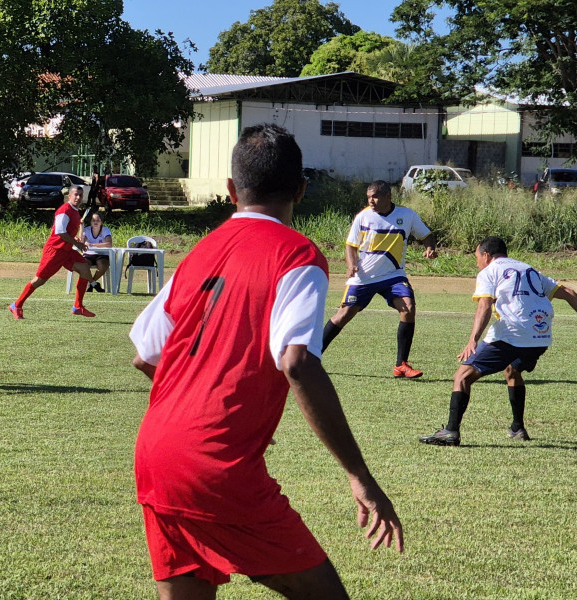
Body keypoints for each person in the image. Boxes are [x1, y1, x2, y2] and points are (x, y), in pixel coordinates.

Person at [129, 124, 403, 598]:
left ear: (231, 189)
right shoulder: (297, 256)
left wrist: (204, 411)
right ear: (301, 190)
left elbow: (145, 355)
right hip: (216, 465)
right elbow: (297, 363)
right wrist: (360, 477)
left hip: (156, 454)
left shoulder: (200, 252)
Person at [419, 237, 577, 446]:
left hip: (512, 333)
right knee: (512, 370)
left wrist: (472, 340)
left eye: (477, 258)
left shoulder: (489, 271)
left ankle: (450, 431)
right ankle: (518, 428)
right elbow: (569, 293)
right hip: (541, 336)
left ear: (486, 256)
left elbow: (484, 305)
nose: (477, 263)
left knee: (462, 376)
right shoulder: (529, 269)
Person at [321, 180, 438, 378]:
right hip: (364, 277)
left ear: (387, 196)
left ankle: (401, 365)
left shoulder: (407, 215)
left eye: (374, 197)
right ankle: (312, 356)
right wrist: (351, 265)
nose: (371, 201)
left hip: (393, 275)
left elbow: (427, 235)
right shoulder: (363, 217)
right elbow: (351, 245)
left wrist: (430, 247)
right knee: (344, 314)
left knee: (408, 308)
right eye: (368, 197)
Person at [8, 185, 97, 318]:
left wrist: (74, 238)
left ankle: (78, 307)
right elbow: (60, 233)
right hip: (55, 250)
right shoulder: (64, 210)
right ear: (69, 196)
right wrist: (77, 243)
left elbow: (65, 232)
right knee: (39, 280)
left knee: (84, 269)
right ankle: (16, 305)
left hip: (66, 250)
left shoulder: (74, 211)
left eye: (80, 195)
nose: (78, 197)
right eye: (75, 194)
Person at [77, 211, 112, 292]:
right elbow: (81, 242)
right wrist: (81, 227)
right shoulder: (87, 230)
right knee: (84, 266)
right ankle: (94, 284)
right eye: (93, 220)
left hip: (102, 254)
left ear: (101, 222)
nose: (95, 222)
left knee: (103, 266)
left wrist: (93, 245)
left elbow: (109, 244)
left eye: (98, 220)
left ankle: (91, 283)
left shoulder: (105, 230)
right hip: (88, 254)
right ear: (90, 222)